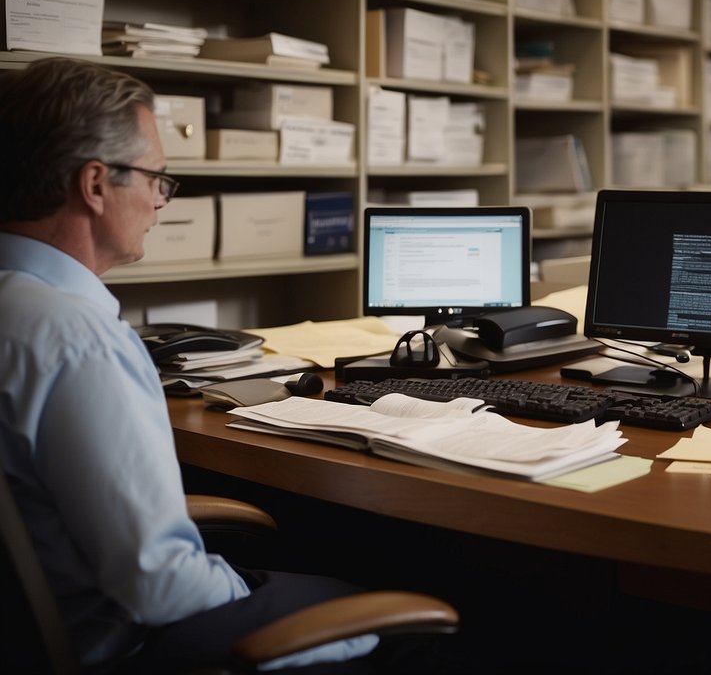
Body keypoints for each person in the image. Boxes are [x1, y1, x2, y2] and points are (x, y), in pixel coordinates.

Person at [0, 58, 436, 673]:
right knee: (415, 609)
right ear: (95, 185)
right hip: (136, 645)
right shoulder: (77, 340)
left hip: (38, 630)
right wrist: (256, 601)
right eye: (156, 177)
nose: (161, 199)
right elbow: (160, 583)